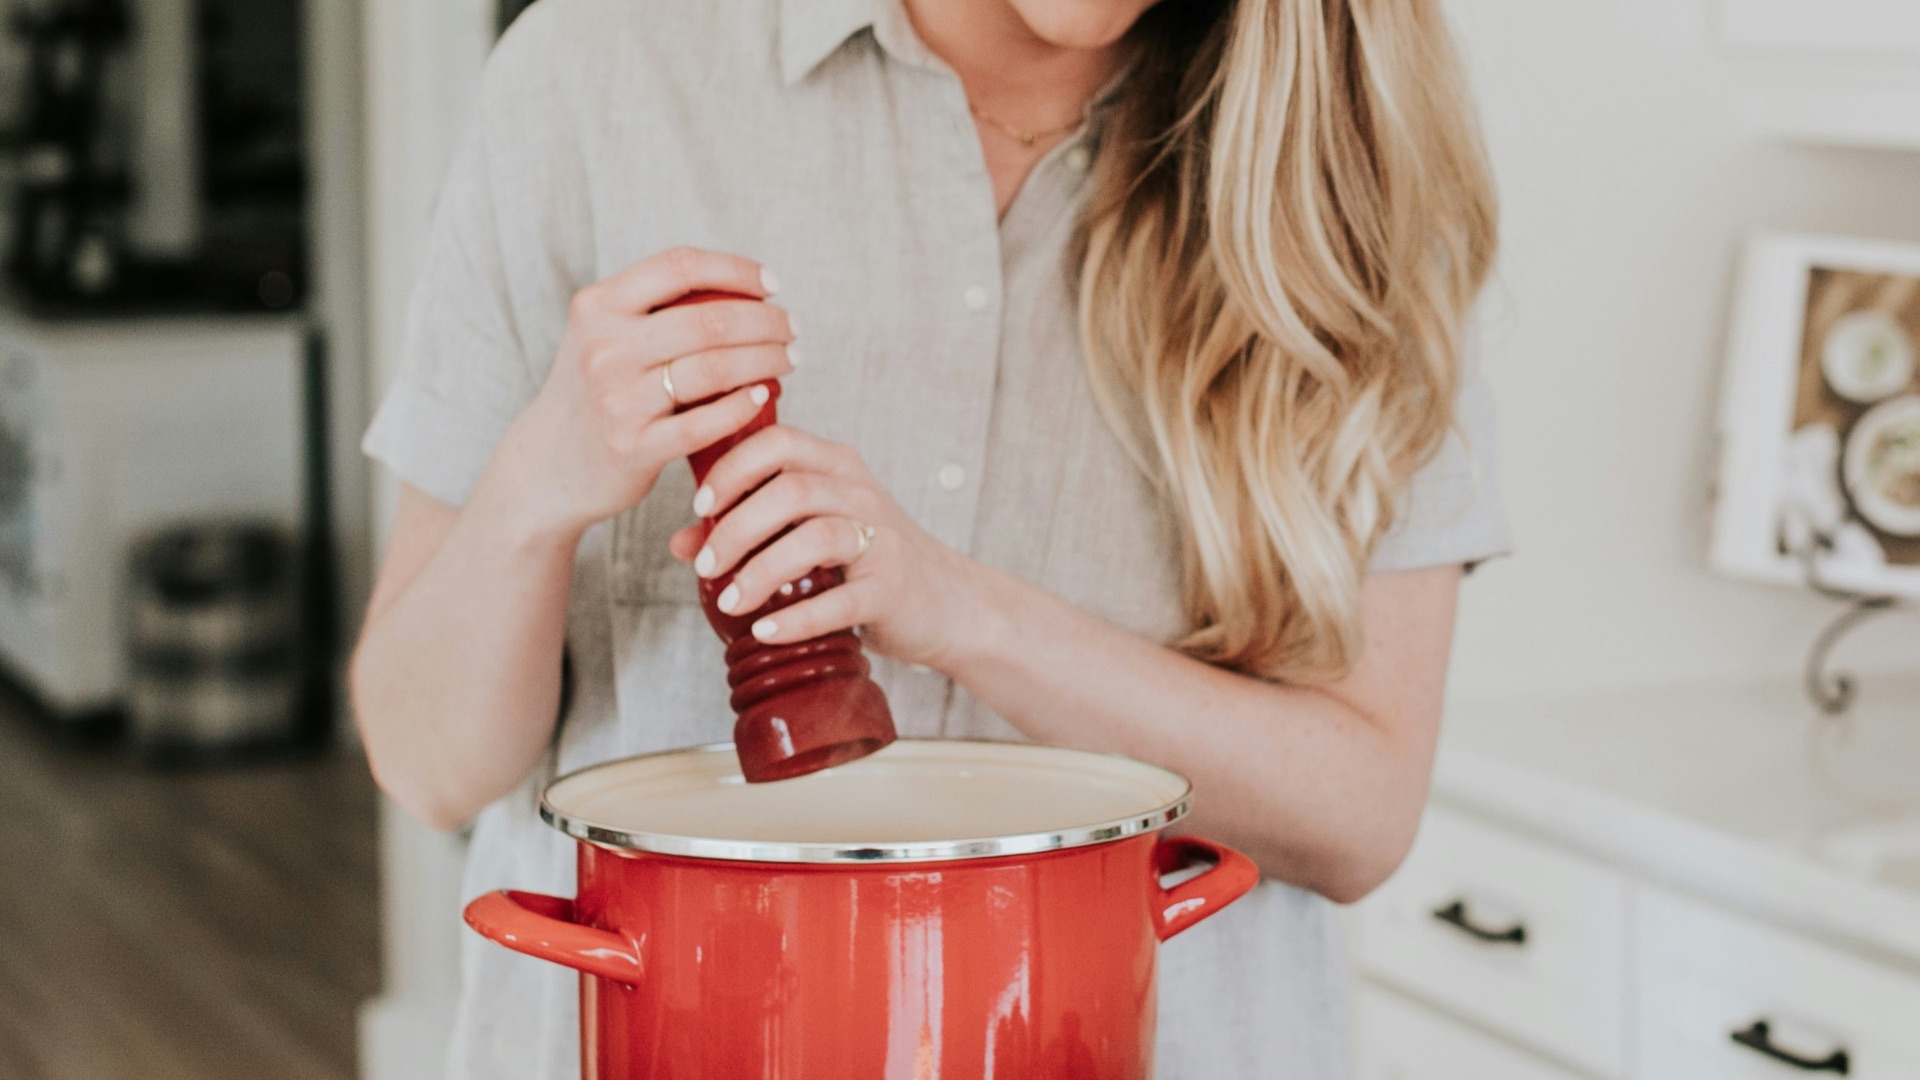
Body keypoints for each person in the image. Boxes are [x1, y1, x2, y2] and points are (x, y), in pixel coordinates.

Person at [351, 0, 1508, 1076]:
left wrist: (964, 613)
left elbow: (1363, 819)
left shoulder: (1351, 172)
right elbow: (427, 764)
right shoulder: (602, 72)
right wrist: (535, 488)